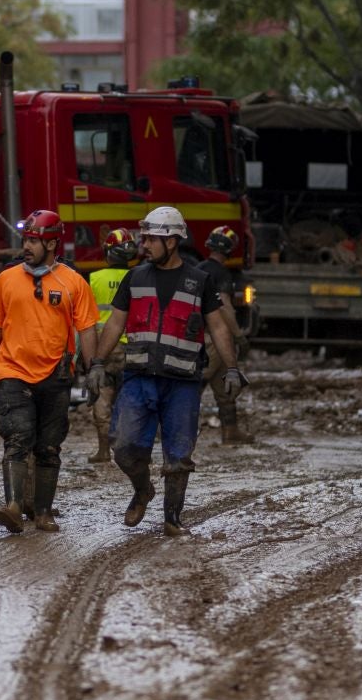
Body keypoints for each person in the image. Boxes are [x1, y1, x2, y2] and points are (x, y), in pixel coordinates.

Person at [89, 206, 245, 536]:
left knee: (179, 455)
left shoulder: (199, 281)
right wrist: (98, 363)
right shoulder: (135, 277)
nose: (143, 245)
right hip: (139, 376)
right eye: (143, 238)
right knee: (124, 448)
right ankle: (143, 489)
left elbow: (217, 326)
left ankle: (172, 518)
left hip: (183, 382)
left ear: (171, 242)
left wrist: (231, 368)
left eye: (150, 239)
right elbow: (116, 321)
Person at [0, 209, 100, 534]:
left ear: (53, 244)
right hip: (13, 371)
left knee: (48, 446)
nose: (28, 246)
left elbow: (86, 329)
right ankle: (14, 506)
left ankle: (42, 512)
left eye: (35, 241)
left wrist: (94, 367)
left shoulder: (73, 282)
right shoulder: (6, 279)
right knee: (17, 435)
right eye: (26, 240)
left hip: (56, 376)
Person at [85, 226, 137, 465]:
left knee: (102, 398)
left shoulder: (95, 279)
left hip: (104, 348)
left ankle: (104, 450)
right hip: (133, 349)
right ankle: (126, 449)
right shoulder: (139, 277)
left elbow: (85, 320)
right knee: (128, 399)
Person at [197, 224, 252, 445]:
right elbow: (225, 308)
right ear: (229, 249)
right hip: (214, 338)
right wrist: (239, 335)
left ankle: (231, 431)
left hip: (202, 335)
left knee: (225, 386)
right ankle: (177, 430)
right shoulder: (222, 274)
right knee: (195, 385)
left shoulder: (198, 269)